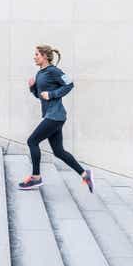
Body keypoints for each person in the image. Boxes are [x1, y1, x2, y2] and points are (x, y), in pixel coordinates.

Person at [18, 44, 94, 193]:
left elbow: (69, 84)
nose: (34, 57)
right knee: (58, 151)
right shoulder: (40, 73)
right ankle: (85, 175)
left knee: (32, 141)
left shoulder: (53, 71)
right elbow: (40, 96)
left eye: (37, 55)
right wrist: (32, 88)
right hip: (53, 116)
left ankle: (36, 177)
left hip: (55, 116)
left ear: (45, 56)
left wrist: (52, 94)